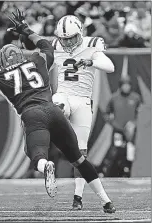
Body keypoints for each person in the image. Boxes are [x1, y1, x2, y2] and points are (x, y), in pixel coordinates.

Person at [0, 9, 116, 213]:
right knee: (78, 158)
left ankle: (46, 166)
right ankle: (106, 202)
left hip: (33, 115)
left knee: (36, 156)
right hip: (54, 110)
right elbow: (44, 43)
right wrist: (26, 30)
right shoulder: (37, 61)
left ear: (2, 62)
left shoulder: (0, 77)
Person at [49, 15, 115, 211]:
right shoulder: (55, 45)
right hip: (64, 96)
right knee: (57, 103)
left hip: (83, 102)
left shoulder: (92, 44)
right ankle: (44, 161)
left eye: (71, 37)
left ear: (80, 32)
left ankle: (83, 198)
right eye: (64, 38)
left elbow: (110, 67)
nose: (67, 42)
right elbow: (41, 65)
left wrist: (90, 62)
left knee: (80, 155)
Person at [102, 76, 141, 177]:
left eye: (128, 85)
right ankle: (113, 173)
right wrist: (113, 123)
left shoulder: (136, 98)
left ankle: (128, 172)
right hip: (118, 130)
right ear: (120, 86)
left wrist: (134, 123)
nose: (126, 87)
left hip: (131, 131)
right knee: (116, 151)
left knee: (131, 152)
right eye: (124, 85)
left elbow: (140, 114)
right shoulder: (114, 98)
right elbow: (106, 113)